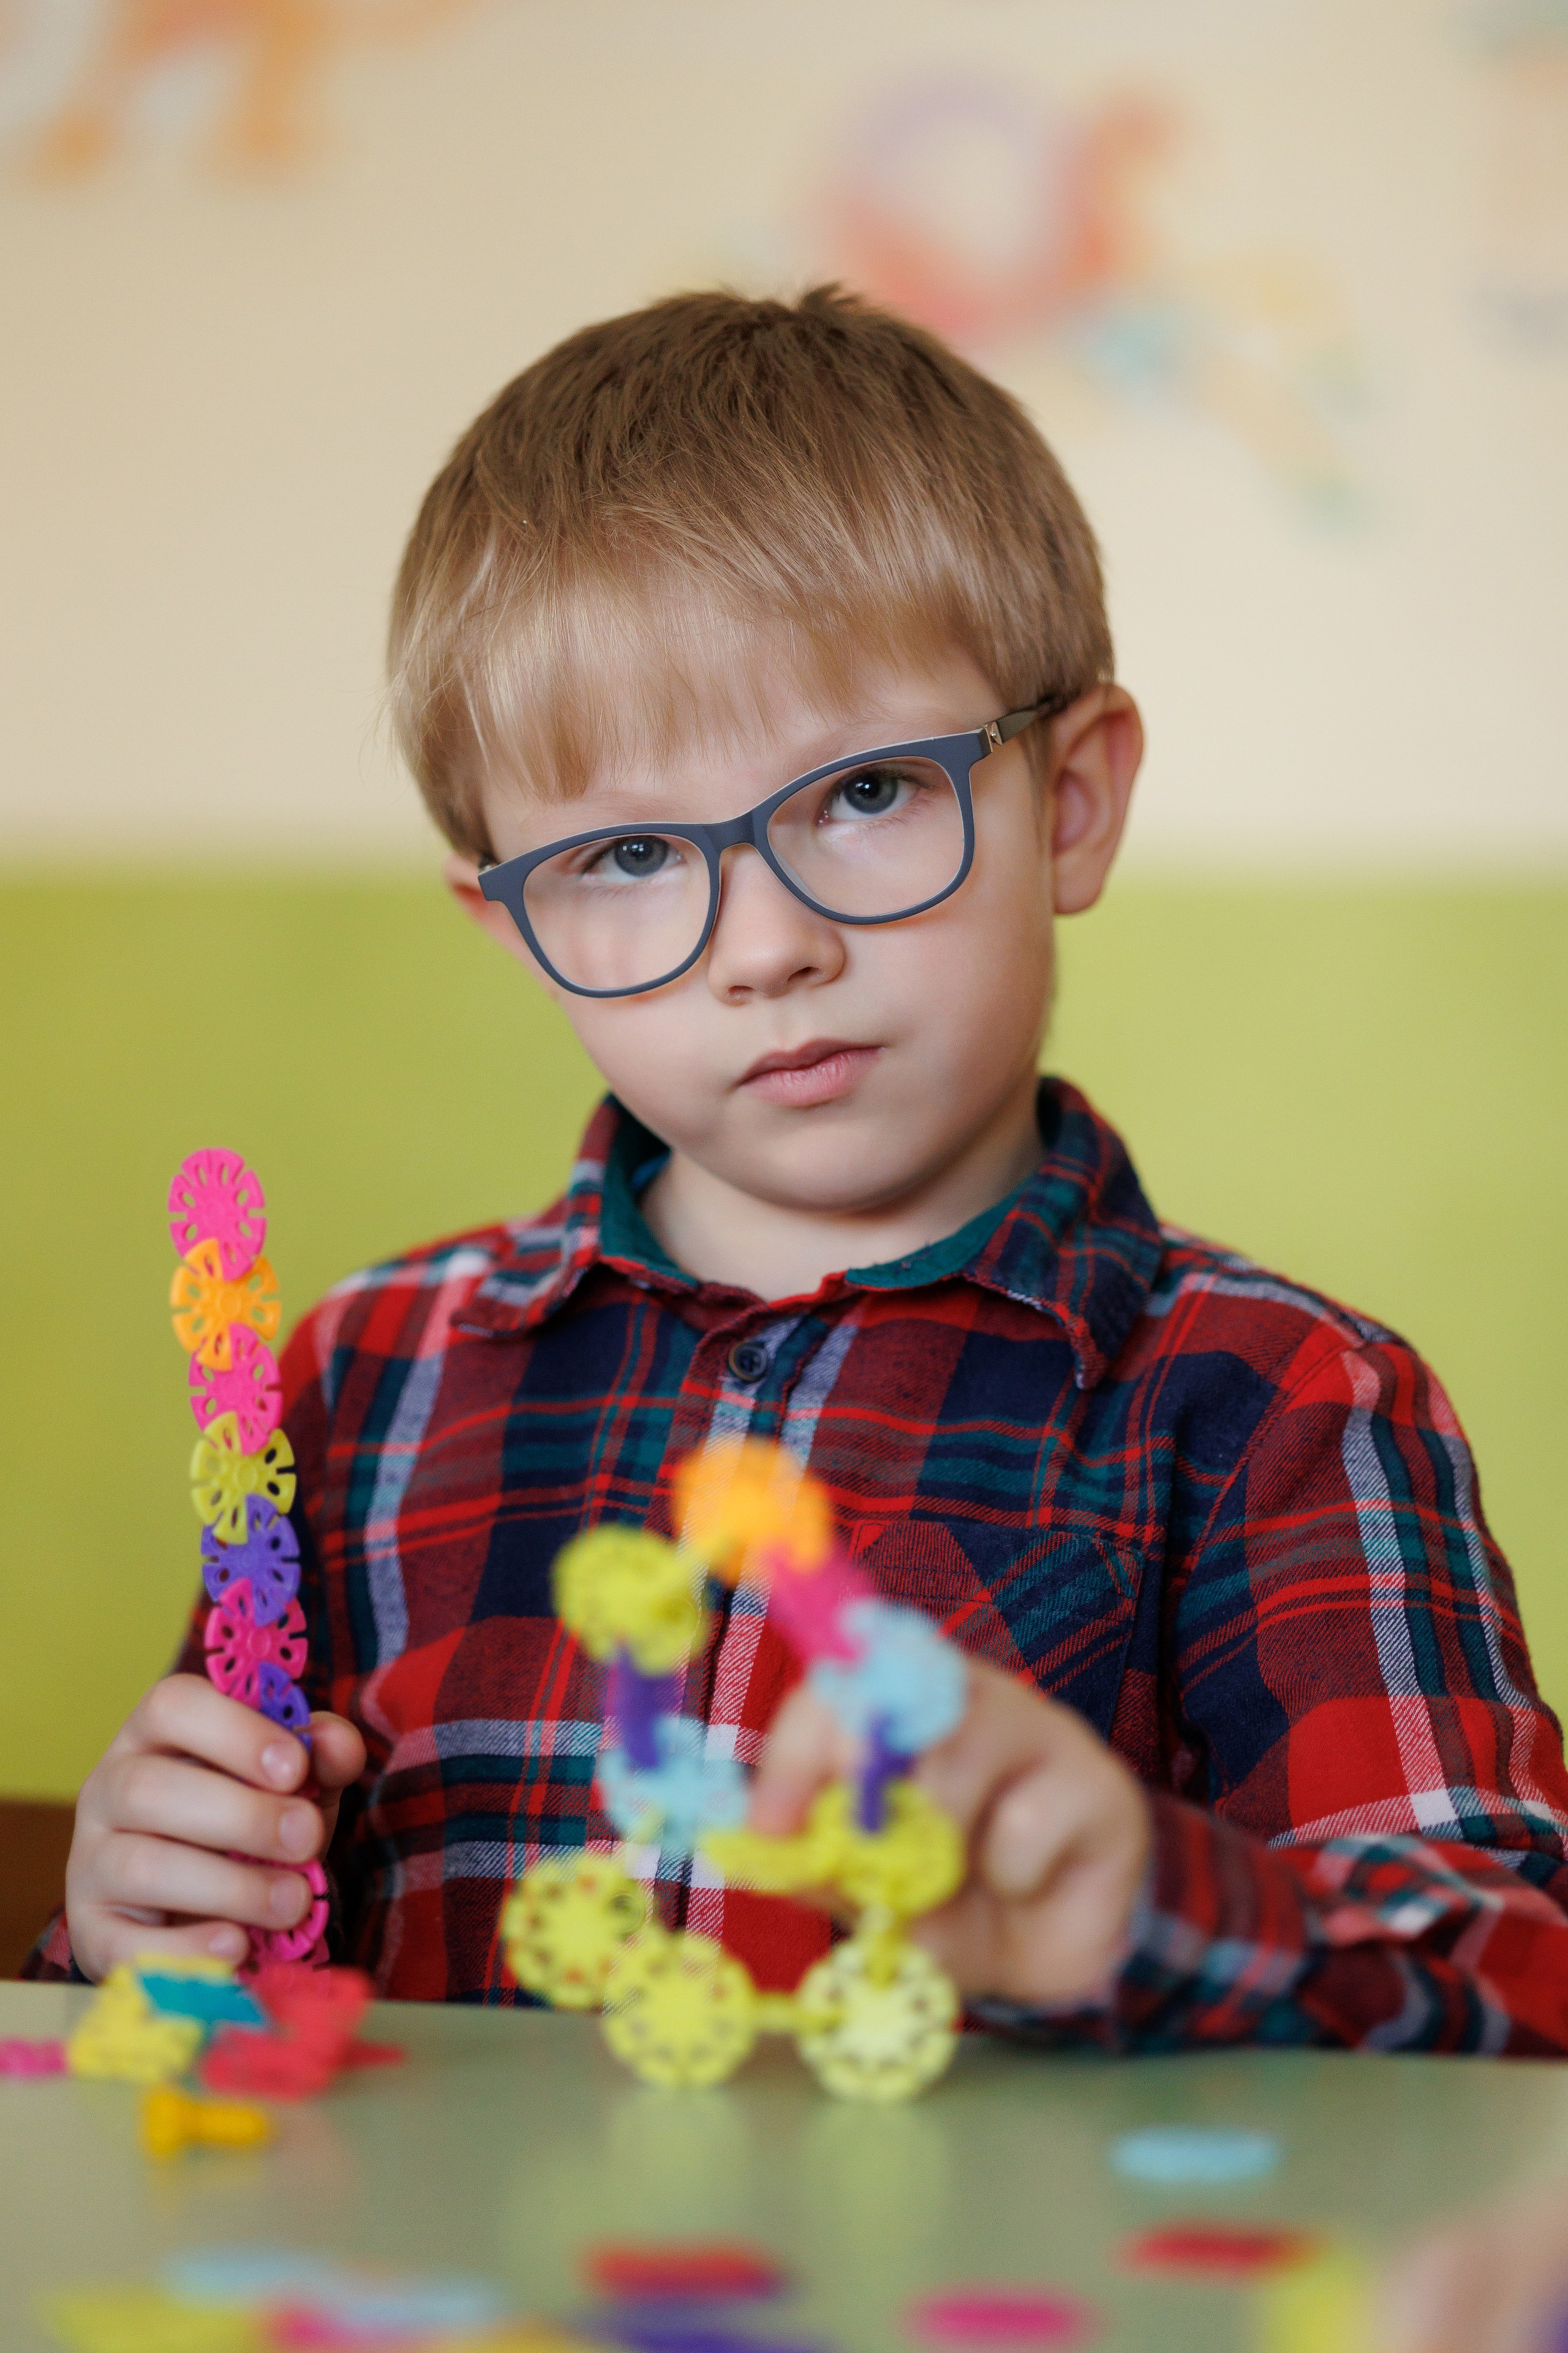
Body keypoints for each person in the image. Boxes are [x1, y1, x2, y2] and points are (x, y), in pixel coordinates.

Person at [30, 289, 1568, 2047]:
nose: (763, 946)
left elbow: (1511, 2003)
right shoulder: (361, 1380)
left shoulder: (1283, 1403)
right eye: (622, 850)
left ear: (1068, 800)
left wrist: (1137, 1905)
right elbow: (192, 2033)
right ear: (515, 930)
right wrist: (137, 1932)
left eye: (862, 795)